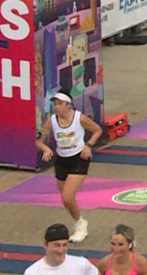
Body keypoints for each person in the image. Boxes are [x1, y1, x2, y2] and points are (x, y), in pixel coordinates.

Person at [36, 92, 104, 243]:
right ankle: (80, 220)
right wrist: (46, 149)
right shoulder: (52, 121)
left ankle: (80, 225)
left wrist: (89, 146)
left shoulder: (79, 118)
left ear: (68, 105)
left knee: (67, 196)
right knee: (66, 200)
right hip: (61, 160)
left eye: (60, 104)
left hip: (79, 158)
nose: (57, 107)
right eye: (55, 104)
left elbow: (97, 130)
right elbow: (39, 140)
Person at [25, 224, 96, 275]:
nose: (61, 250)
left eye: (64, 245)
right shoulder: (33, 272)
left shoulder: (82, 264)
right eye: (57, 245)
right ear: (45, 244)